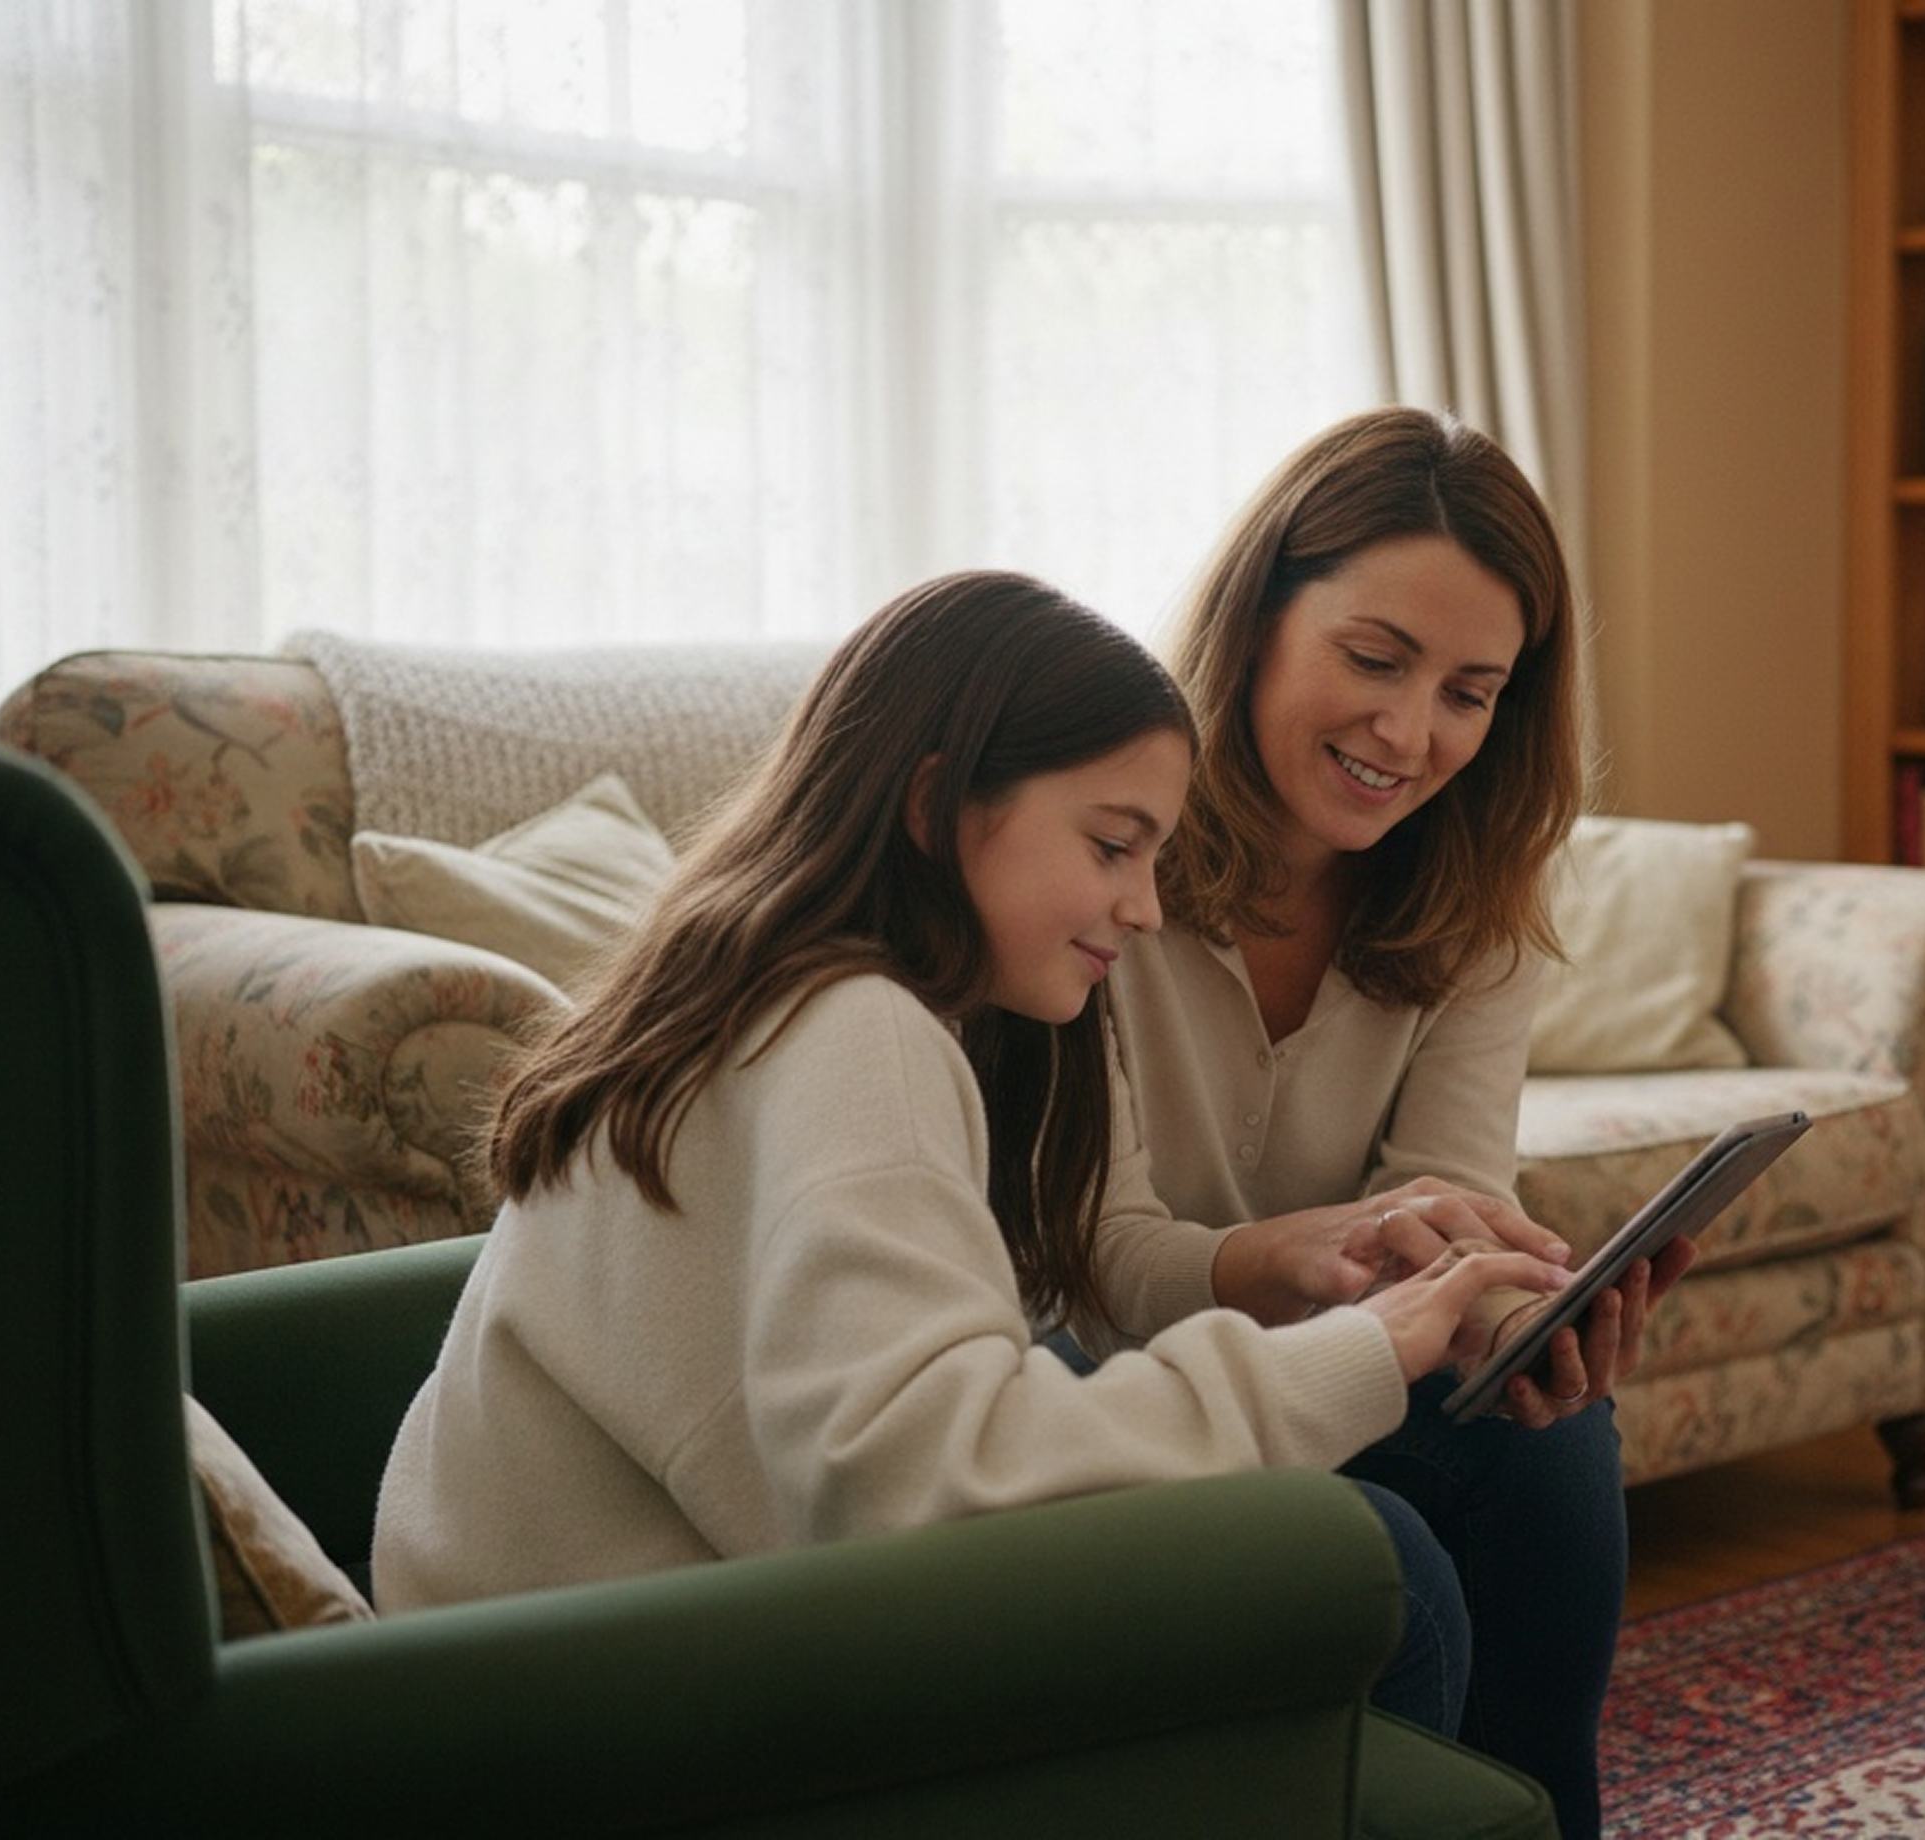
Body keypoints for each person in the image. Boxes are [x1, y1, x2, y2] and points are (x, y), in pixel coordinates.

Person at [370, 572, 1571, 1627]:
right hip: (618, 1688)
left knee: (1461, 1503)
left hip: (546, 1641)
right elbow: (929, 1486)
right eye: (1113, 846)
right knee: (1383, 1574)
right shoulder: (856, 1031)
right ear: (936, 806)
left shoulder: (771, 994)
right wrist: (1358, 1349)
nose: (1147, 907)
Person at [1079, 408, 1688, 1840]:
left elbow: (1445, 1198)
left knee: (1552, 1447)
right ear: (1257, 616)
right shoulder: (1104, 850)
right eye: (1374, 660)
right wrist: (1307, 1257)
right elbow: (1083, 1256)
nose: (1410, 735)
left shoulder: (1476, 900)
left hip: (1320, 1355)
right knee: (1388, 1554)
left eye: (1471, 693)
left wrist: (1508, 1307)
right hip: (1088, 1364)